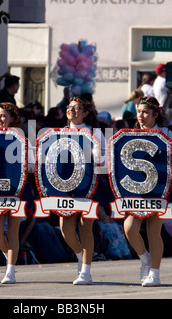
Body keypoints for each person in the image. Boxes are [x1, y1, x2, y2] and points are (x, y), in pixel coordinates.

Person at [123, 96, 172, 287]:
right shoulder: (129, 134)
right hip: (136, 191)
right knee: (130, 229)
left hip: (159, 190)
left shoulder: (167, 134)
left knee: (153, 232)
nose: (141, 116)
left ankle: (155, 273)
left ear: (156, 114)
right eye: (139, 112)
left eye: (146, 112)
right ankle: (145, 259)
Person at [60, 96, 107, 285]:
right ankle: (81, 255)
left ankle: (86, 271)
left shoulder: (94, 132)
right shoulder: (60, 132)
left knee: (85, 226)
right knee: (65, 229)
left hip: (89, 184)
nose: (72, 110)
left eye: (77, 108)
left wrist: (94, 156)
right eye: (70, 107)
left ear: (86, 113)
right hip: (65, 185)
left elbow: (103, 158)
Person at [0, 102, 35, 284]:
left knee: (13, 232)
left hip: (17, 190)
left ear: (12, 119)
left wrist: (21, 164)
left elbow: (32, 165)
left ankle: (10, 271)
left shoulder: (22, 138)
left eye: (3, 116)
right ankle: (10, 257)